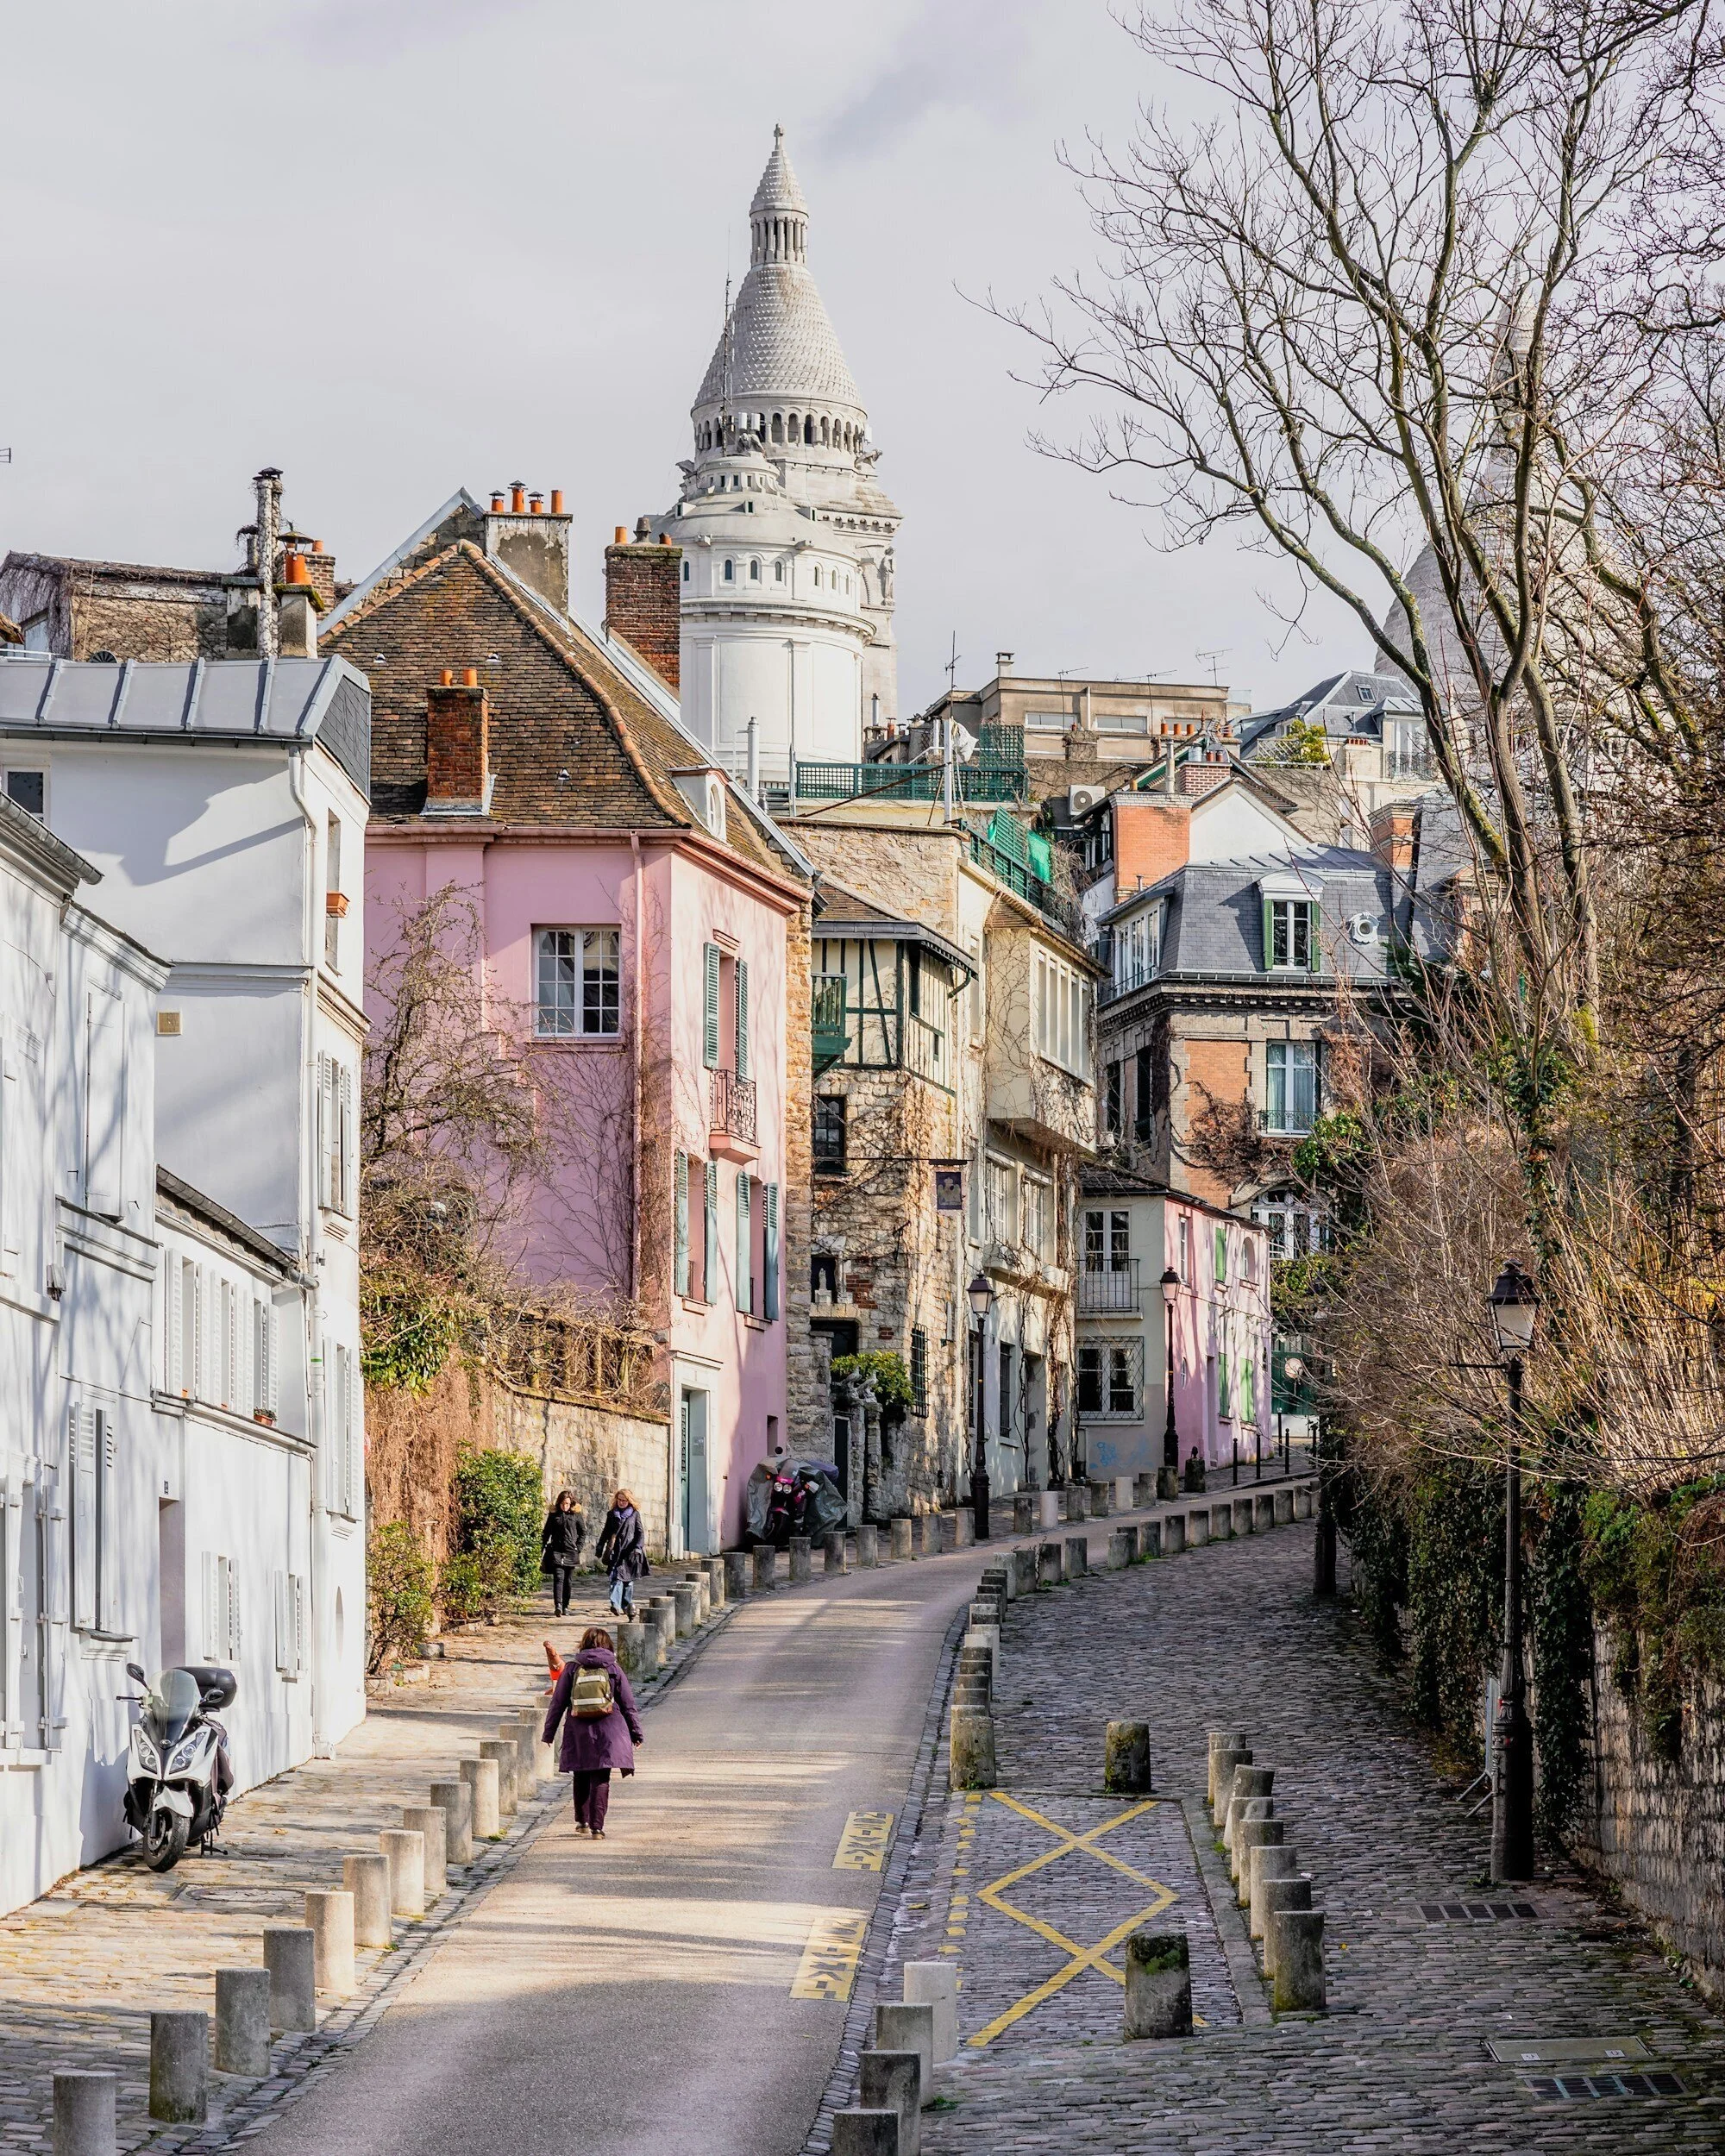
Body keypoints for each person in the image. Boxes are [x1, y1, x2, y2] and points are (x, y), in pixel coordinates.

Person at [541, 1625, 643, 1838]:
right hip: (609, 1730)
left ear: (583, 1644)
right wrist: (636, 1733)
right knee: (601, 1777)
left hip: (578, 1730)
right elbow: (628, 1704)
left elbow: (557, 1703)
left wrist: (548, 1733)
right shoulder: (614, 1669)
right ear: (608, 1645)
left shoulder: (571, 1668)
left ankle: (582, 1821)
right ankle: (598, 1827)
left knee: (580, 1774)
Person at [595, 1488, 649, 1616]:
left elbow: (640, 1533)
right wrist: (600, 1546)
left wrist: (638, 1547)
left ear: (629, 1501)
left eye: (624, 1500)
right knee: (616, 1578)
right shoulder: (612, 1514)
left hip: (630, 1552)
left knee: (628, 1582)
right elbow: (606, 1532)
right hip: (616, 1551)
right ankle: (615, 1604)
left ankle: (626, 1604)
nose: (621, 1502)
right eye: (619, 1500)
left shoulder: (634, 1514)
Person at [541, 1490, 586, 1617]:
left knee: (568, 1580)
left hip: (571, 1552)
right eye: (562, 1503)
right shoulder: (554, 1515)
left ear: (571, 1503)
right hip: (557, 1551)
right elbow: (546, 1533)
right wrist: (542, 1547)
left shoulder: (576, 1515)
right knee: (558, 1578)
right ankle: (558, 1606)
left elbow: (583, 1532)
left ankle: (566, 1606)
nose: (565, 1506)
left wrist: (578, 1548)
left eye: (567, 1503)